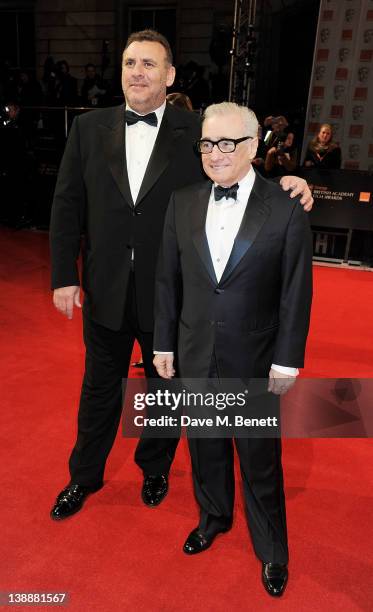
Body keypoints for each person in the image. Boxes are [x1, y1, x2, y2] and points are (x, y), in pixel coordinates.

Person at [49, 29, 313, 522]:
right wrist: (64, 274)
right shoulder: (87, 128)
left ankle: (155, 466)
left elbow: (232, 168)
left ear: (169, 76)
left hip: (170, 293)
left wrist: (286, 184)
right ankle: (83, 476)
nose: (137, 72)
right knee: (98, 388)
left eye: (149, 64)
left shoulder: (196, 128)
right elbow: (67, 205)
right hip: (104, 287)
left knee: (165, 389)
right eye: (130, 63)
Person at [153, 102, 313, 597]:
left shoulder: (285, 206)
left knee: (259, 458)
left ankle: (271, 549)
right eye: (207, 143)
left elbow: (295, 290)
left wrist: (287, 359)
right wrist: (163, 344)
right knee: (205, 447)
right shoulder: (182, 201)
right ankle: (214, 516)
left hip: (256, 358)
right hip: (196, 350)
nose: (215, 153)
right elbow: (167, 280)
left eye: (227, 143)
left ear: (251, 146)